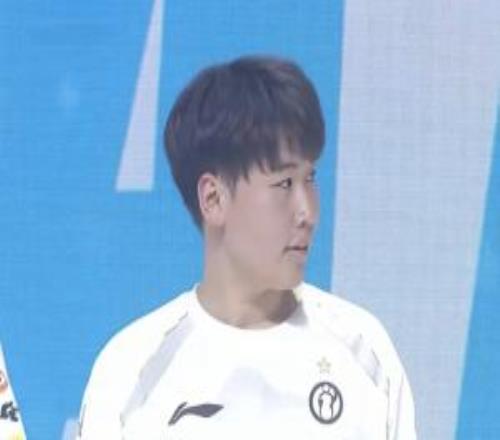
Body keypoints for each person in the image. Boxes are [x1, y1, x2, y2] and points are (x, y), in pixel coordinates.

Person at [77, 55, 417, 439]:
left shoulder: (364, 353)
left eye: (310, 179)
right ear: (213, 198)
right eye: (284, 183)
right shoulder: (130, 371)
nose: (307, 212)